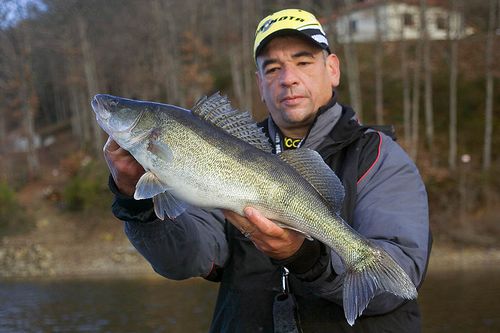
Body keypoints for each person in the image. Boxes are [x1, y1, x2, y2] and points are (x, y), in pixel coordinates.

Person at [103, 8, 431, 333]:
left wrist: (305, 257)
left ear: (332, 69)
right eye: (272, 69)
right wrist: (135, 202)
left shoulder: (377, 155)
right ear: (260, 84)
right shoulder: (228, 148)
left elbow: (393, 283)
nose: (288, 79)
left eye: (303, 62)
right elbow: (184, 260)